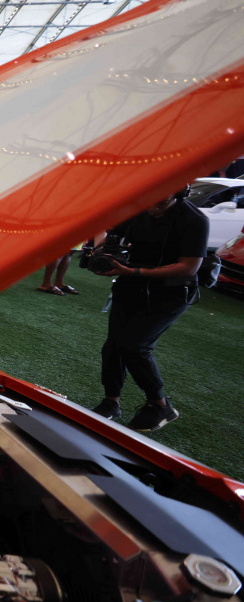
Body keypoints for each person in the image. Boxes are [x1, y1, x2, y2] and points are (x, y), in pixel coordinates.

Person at [90, 184, 208, 431]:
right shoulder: (136, 210)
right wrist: (102, 251)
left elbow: (188, 267)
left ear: (179, 195)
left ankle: (160, 405)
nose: (153, 208)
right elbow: (106, 231)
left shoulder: (194, 220)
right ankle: (111, 402)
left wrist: (134, 271)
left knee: (135, 345)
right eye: (149, 201)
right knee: (113, 346)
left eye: (162, 202)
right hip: (130, 285)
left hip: (172, 292)